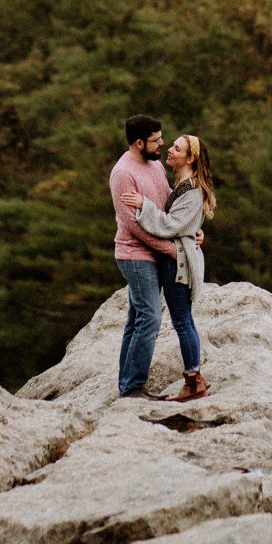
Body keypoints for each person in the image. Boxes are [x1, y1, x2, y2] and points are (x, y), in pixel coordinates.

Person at [123, 131, 216, 402]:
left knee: (182, 320)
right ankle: (195, 377)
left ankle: (193, 379)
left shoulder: (191, 190)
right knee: (182, 320)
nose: (170, 150)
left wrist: (144, 205)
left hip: (179, 264)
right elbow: (185, 225)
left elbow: (172, 225)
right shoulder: (183, 186)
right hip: (176, 260)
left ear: (191, 158)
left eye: (177, 148)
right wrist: (195, 232)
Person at [110, 113, 178, 399]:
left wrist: (190, 231)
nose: (162, 144)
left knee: (136, 317)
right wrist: (171, 249)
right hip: (135, 254)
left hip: (154, 252)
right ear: (139, 143)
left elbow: (168, 203)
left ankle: (127, 384)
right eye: (155, 140)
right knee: (150, 316)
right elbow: (134, 225)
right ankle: (134, 386)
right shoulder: (123, 174)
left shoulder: (156, 166)